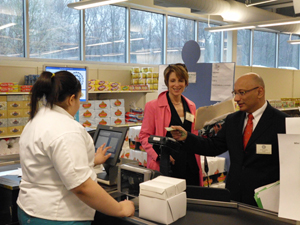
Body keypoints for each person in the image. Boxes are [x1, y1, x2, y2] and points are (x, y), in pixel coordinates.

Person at [17, 71, 134, 225]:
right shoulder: (66, 129)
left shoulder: (36, 121)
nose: (79, 105)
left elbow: (53, 165)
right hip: (58, 216)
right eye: (79, 98)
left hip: (28, 211)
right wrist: (120, 209)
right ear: (72, 99)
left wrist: (91, 161)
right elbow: (82, 187)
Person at [170, 72, 289, 206]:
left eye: (242, 93)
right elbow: (214, 146)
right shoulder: (233, 120)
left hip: (265, 202)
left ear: (260, 92)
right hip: (234, 197)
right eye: (235, 93)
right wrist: (187, 137)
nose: (236, 98)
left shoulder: (282, 123)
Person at [139, 64, 203, 186]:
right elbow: (144, 136)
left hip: (190, 164)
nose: (177, 85)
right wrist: (160, 156)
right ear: (167, 82)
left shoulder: (191, 106)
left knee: (191, 201)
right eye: (172, 80)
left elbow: (193, 135)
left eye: (181, 80)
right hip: (166, 165)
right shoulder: (153, 106)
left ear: (186, 83)